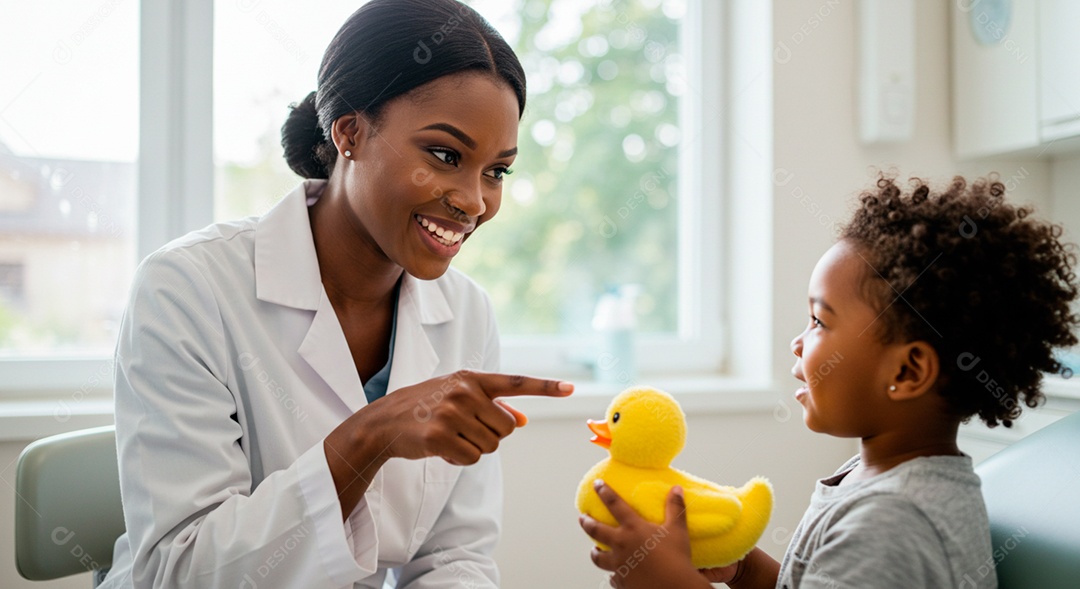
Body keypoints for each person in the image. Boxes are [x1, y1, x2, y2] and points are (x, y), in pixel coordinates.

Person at [98, 1, 574, 587]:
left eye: (496, 171)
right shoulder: (187, 289)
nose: (474, 201)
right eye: (445, 155)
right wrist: (370, 438)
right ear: (349, 133)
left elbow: (454, 556)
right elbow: (182, 569)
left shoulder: (467, 314)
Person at [579, 175, 1080, 588]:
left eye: (819, 321)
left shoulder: (892, 524)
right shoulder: (876, 478)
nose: (798, 342)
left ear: (906, 372)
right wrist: (745, 571)